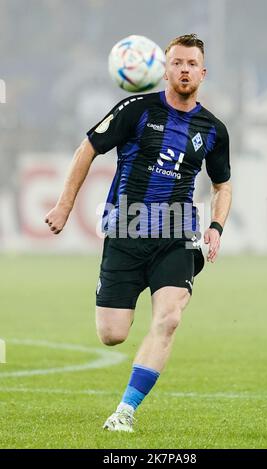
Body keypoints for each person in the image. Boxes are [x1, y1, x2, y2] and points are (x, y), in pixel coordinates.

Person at [45, 33, 232, 433]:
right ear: (164, 69)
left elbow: (222, 185)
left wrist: (215, 226)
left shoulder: (213, 129)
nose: (184, 69)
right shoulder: (136, 109)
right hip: (127, 230)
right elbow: (87, 149)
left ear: (203, 71)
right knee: (112, 334)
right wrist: (64, 205)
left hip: (178, 235)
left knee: (169, 319)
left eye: (191, 63)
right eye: (177, 62)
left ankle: (124, 411)